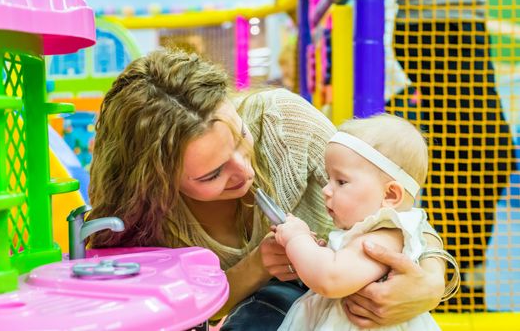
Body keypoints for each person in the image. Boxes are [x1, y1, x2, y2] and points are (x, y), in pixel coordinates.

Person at [87, 48, 447, 330]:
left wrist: (431, 280)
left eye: (241, 137)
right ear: (157, 184)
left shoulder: (282, 123)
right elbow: (179, 315)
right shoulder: (144, 222)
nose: (244, 172)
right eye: (212, 174)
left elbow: (397, 210)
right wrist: (256, 267)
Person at [387, 0, 517, 310]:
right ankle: (449, 284)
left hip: (463, 20)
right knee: (482, 151)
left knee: (458, 154)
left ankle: (457, 286)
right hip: (434, 23)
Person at [275, 114, 460, 330]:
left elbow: (330, 278)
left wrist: (297, 238)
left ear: (390, 195)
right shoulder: (371, 232)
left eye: (341, 181)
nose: (325, 190)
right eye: (328, 178)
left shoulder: (385, 235)